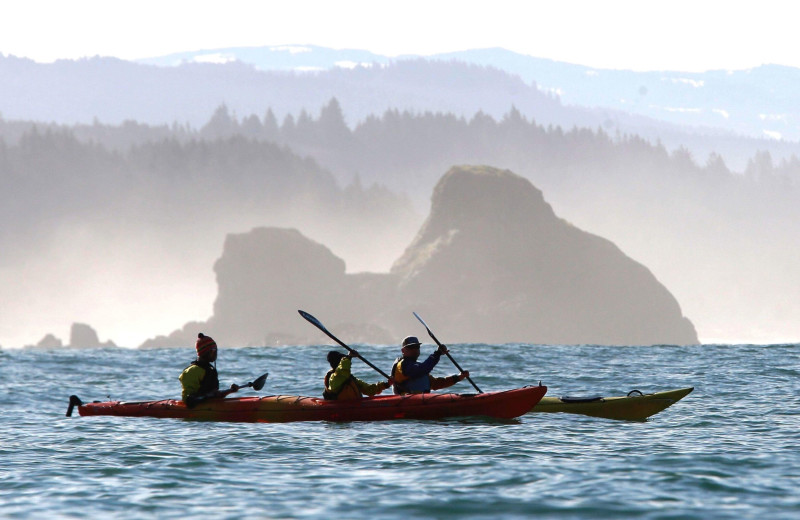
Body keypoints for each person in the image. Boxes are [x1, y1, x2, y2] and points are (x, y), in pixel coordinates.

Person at [391, 336, 469, 395]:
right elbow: (423, 369)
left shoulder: (418, 366)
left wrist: (458, 377)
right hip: (407, 402)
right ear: (403, 351)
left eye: (417, 347)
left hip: (422, 401)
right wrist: (437, 353)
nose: (414, 350)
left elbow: (435, 384)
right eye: (411, 347)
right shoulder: (402, 365)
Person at [179, 333, 240, 408]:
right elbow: (189, 400)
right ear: (204, 352)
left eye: (216, 349)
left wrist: (230, 390)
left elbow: (213, 395)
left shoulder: (210, 370)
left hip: (209, 406)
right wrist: (211, 395)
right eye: (213, 350)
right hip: (193, 408)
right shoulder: (192, 371)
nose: (216, 353)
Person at [323, 349, 393, 401]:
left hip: (353, 408)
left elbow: (369, 389)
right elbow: (342, 371)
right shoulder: (333, 379)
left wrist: (387, 384)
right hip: (341, 410)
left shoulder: (350, 378)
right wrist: (349, 357)